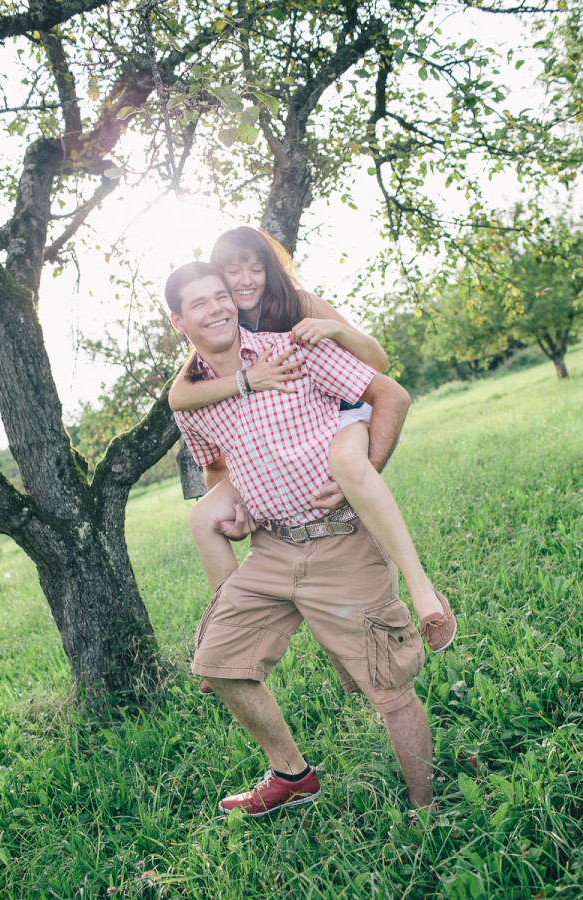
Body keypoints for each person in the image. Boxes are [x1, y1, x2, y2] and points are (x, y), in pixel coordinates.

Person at [166, 260, 440, 817]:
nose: (218, 307)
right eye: (200, 303)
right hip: (270, 550)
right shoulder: (194, 397)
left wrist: (361, 476)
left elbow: (389, 394)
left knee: (387, 689)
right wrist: (236, 512)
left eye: (222, 295)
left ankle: (427, 808)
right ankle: (292, 774)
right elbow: (219, 474)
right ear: (178, 321)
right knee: (218, 667)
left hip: (341, 541)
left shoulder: (290, 348)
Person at [168, 226, 455, 653]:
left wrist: (332, 331)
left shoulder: (298, 304)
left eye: (256, 268)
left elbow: (377, 362)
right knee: (200, 518)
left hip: (344, 408)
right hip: (295, 421)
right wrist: (250, 380)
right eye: (233, 272)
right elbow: (180, 395)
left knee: (347, 461)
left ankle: (422, 588)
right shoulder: (219, 325)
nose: (245, 280)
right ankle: (230, 629)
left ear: (270, 270)